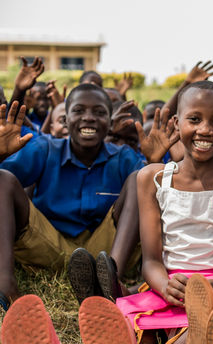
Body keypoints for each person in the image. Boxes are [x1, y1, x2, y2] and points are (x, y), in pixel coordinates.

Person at [1, 81, 213, 344]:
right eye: (194, 119)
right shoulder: (151, 178)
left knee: (206, 323)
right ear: (176, 123)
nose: (205, 130)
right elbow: (152, 261)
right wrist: (163, 284)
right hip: (170, 285)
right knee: (125, 324)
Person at [0, 84, 142, 310]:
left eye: (99, 112)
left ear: (109, 122)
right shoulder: (45, 148)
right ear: (66, 120)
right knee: (3, 179)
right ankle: (5, 287)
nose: (89, 118)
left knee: (140, 179)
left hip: (104, 251)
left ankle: (110, 284)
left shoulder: (124, 157)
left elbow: (155, 194)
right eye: (78, 111)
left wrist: (154, 165)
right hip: (48, 245)